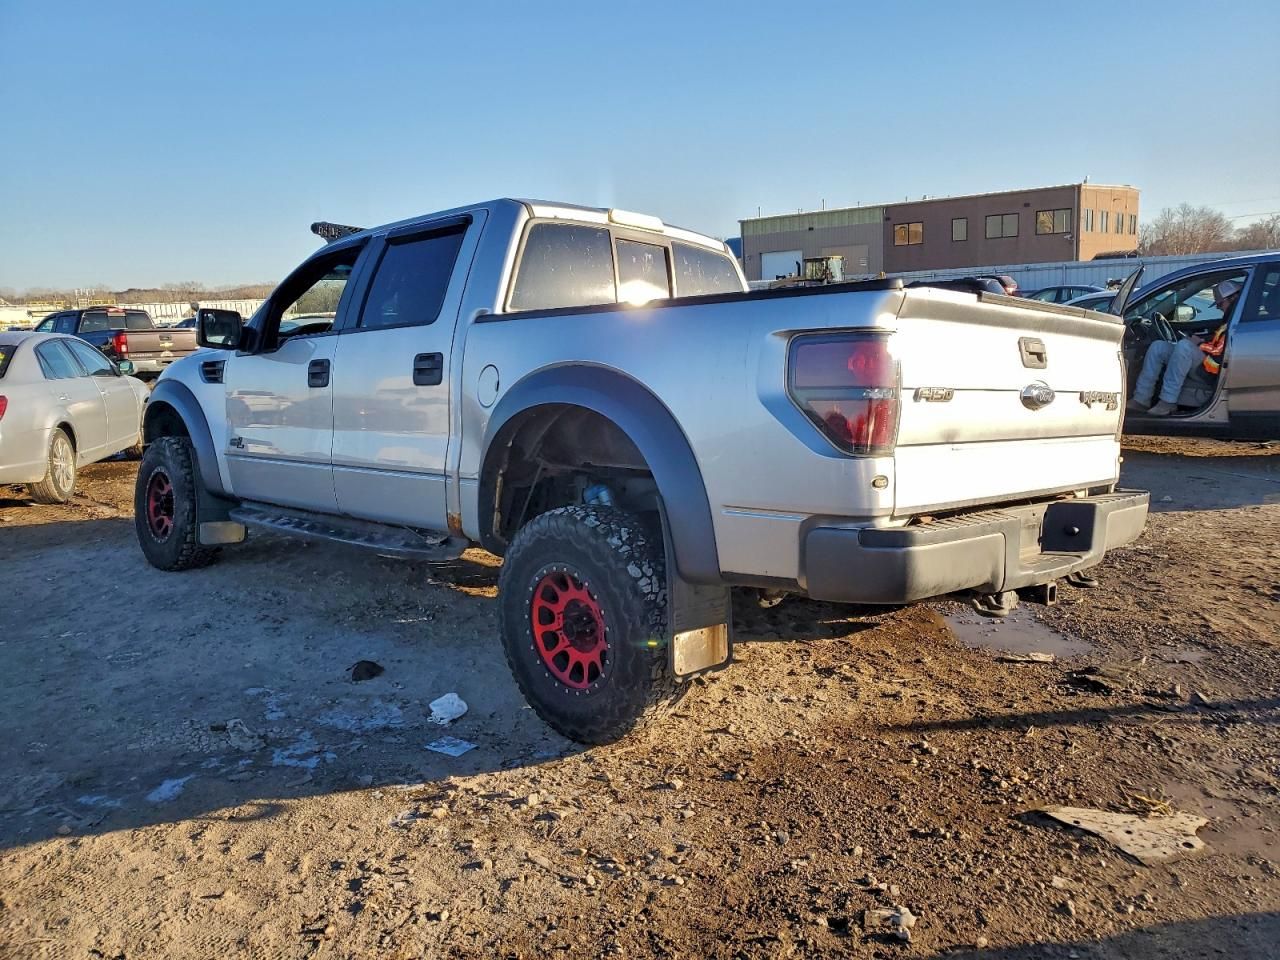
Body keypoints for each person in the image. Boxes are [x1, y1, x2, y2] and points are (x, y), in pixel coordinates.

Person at [1127, 279, 1242, 416]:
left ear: (1233, 298)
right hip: (1208, 362)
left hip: (1211, 370)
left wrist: (1198, 344)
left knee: (1185, 347)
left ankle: (1167, 403)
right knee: (1158, 347)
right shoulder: (1231, 318)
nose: (1219, 308)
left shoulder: (1237, 321)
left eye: (1220, 304)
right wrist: (1200, 341)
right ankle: (1141, 399)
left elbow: (1218, 354)